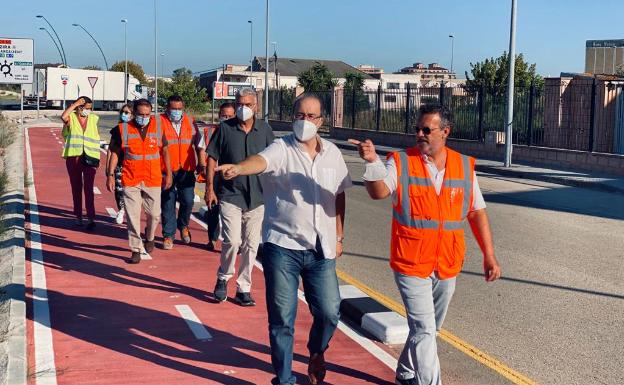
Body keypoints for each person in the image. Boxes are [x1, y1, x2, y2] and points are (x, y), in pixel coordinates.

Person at [350, 104, 502, 385]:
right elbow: (378, 192)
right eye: (417, 129)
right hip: (411, 262)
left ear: (445, 132)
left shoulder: (463, 166)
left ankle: (406, 372)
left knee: (431, 329)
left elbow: (476, 212)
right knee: (423, 328)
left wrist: (489, 255)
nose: (419, 134)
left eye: (426, 130)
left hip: (447, 262)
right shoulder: (401, 161)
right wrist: (371, 162)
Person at [216, 93, 352, 385]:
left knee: (329, 312)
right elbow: (259, 161)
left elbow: (339, 195)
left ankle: (316, 351)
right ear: (293, 118)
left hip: (321, 250)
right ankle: (284, 378)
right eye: (300, 116)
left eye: (312, 116)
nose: (306, 122)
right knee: (282, 319)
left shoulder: (333, 154)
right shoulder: (281, 148)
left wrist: (339, 235)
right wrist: (239, 168)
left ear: (322, 121)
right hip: (283, 249)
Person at [206, 88, 274, 306]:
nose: (243, 108)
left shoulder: (265, 130)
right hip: (230, 194)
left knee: (251, 244)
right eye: (240, 104)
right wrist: (210, 188)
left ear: (256, 106)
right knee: (233, 240)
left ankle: (244, 288)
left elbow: (274, 160)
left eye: (248, 104)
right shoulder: (225, 129)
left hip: (257, 197)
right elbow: (211, 158)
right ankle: (223, 277)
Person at [106, 99, 173, 264]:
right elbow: (114, 153)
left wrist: (169, 174)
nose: (144, 117)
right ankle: (135, 248)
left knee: (154, 214)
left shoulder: (158, 127)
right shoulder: (122, 130)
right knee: (133, 215)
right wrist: (110, 174)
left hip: (153, 178)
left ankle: (149, 237)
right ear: (134, 113)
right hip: (131, 178)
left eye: (147, 114)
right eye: (141, 114)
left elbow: (164, 151)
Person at [160, 95, 199, 250]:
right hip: (165, 169)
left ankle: (183, 225)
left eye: (179, 109)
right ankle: (168, 235)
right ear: (167, 108)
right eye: (173, 109)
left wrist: (202, 163)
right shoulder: (158, 122)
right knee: (168, 202)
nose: (176, 111)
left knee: (188, 200)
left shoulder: (190, 121)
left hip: (187, 168)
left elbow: (198, 144)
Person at [197, 102, 236, 250]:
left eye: (230, 116)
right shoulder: (210, 132)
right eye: (223, 116)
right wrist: (202, 166)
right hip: (213, 174)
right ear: (219, 116)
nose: (226, 118)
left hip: (231, 176)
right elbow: (201, 150)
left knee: (231, 209)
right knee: (213, 208)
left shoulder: (238, 132)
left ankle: (232, 240)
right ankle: (212, 239)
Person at [60, 96, 100, 231]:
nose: (89, 111)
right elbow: (63, 116)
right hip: (74, 157)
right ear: (79, 108)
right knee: (76, 188)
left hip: (90, 156)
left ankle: (91, 217)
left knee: (89, 189)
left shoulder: (94, 118)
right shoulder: (71, 117)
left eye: (90, 108)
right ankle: (78, 216)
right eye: (86, 108)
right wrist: (75, 104)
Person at [106, 103, 133, 224]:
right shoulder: (117, 130)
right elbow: (111, 149)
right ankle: (121, 209)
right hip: (119, 164)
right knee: (119, 189)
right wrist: (108, 170)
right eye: (123, 112)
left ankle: (127, 211)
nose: (124, 115)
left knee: (131, 191)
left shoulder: (136, 130)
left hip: (133, 165)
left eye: (127, 112)